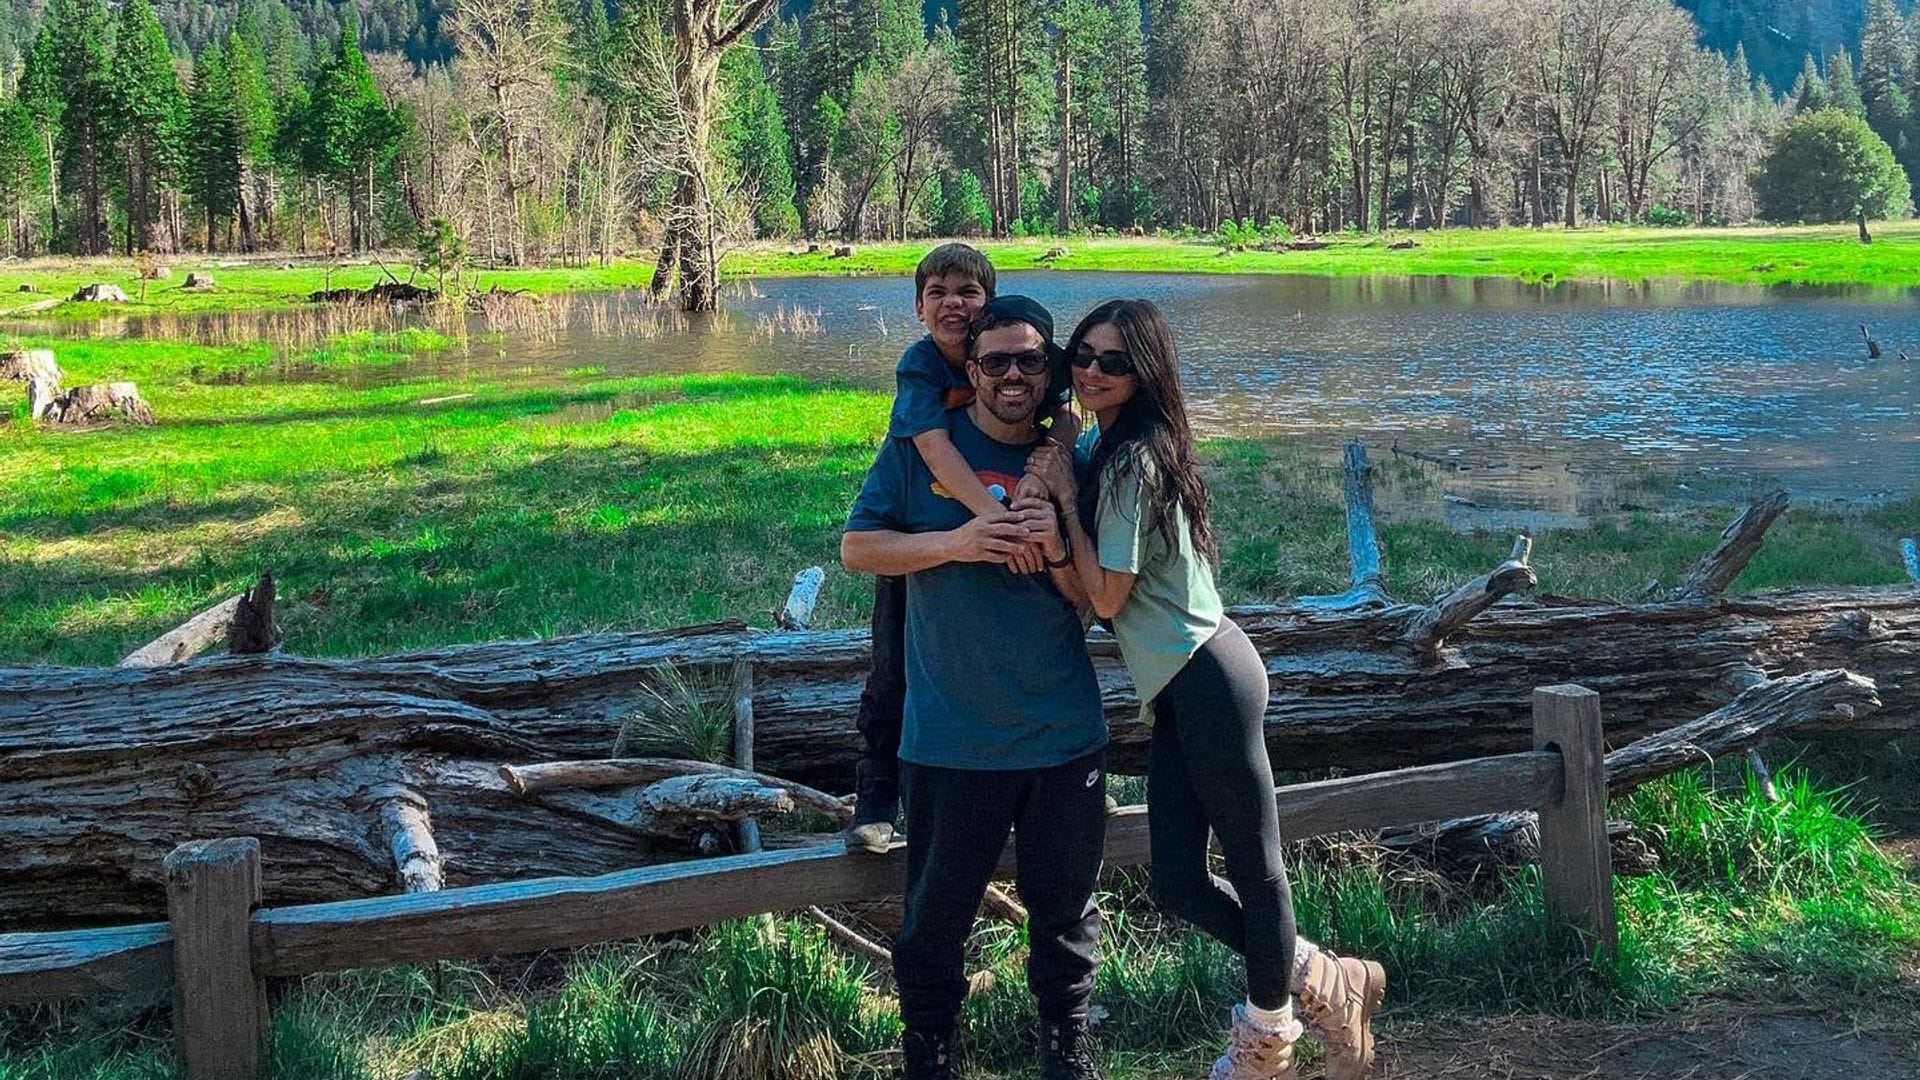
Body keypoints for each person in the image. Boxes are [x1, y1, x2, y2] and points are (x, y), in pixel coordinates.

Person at [1025, 299, 1385, 1080]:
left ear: (1144, 370)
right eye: (1081, 355)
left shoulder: (1129, 461)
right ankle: (1328, 978)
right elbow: (1094, 583)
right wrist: (1060, 451)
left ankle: (1266, 1046)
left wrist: (1060, 509)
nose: (1090, 370)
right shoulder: (1116, 442)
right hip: (1184, 684)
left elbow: (1105, 598)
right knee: (1178, 881)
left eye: (1112, 362)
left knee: (1258, 870)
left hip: (1210, 677)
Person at [842, 296, 1106, 1080]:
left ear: (1051, 368)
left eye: (1030, 360)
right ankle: (928, 1054)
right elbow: (858, 549)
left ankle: (1068, 1047)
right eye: (996, 361)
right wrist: (958, 541)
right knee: (933, 924)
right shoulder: (921, 453)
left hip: (1062, 736)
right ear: (972, 369)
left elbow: (1096, 601)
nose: (1013, 375)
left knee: (1066, 918)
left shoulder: (1072, 467)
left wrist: (1053, 544)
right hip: (950, 740)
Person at [845, 244, 1079, 854]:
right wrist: (990, 526)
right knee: (893, 672)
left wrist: (1046, 463)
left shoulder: (1017, 356)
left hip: (1050, 719)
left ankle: (1057, 776)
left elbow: (1066, 417)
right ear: (919, 308)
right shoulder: (922, 366)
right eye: (937, 293)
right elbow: (932, 447)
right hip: (929, 545)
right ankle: (876, 793)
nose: (953, 303)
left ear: (989, 304)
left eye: (968, 293)